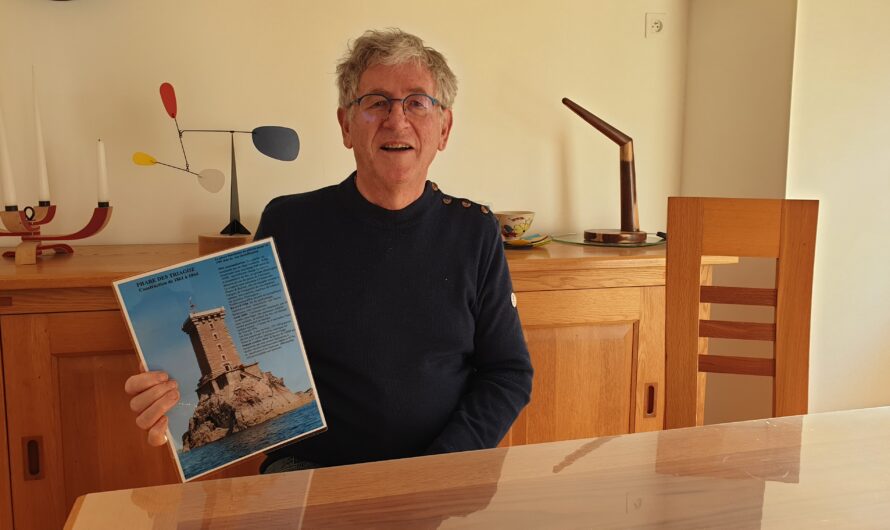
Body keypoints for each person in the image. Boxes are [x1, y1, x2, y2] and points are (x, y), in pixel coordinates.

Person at [124, 28, 533, 471]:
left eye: (417, 101)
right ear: (345, 126)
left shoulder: (475, 231)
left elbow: (507, 374)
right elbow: (244, 350)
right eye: (376, 102)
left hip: (439, 474)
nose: (397, 120)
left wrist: (437, 468)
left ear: (444, 127)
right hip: (309, 472)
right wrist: (171, 398)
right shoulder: (288, 223)